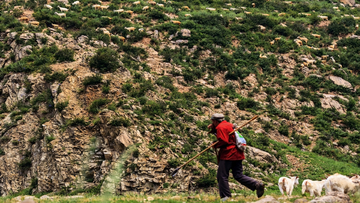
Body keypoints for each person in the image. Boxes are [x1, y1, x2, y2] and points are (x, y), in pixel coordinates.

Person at [208, 113, 265, 201]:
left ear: (215, 121)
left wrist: (215, 145)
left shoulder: (220, 127)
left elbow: (224, 141)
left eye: (212, 121)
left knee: (222, 175)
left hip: (228, 154)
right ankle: (256, 185)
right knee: (238, 175)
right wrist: (213, 128)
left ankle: (226, 197)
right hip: (238, 153)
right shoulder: (229, 125)